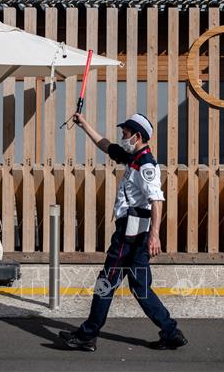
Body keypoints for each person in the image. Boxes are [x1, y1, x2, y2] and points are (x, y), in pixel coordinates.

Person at [59, 113, 187, 352]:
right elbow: (106, 145)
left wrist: (155, 235)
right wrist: (84, 123)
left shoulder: (145, 164)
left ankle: (88, 335)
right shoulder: (134, 157)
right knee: (140, 287)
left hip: (130, 234)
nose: (122, 136)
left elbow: (157, 199)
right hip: (136, 232)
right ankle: (170, 332)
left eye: (125, 133)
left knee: (105, 282)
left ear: (137, 136)